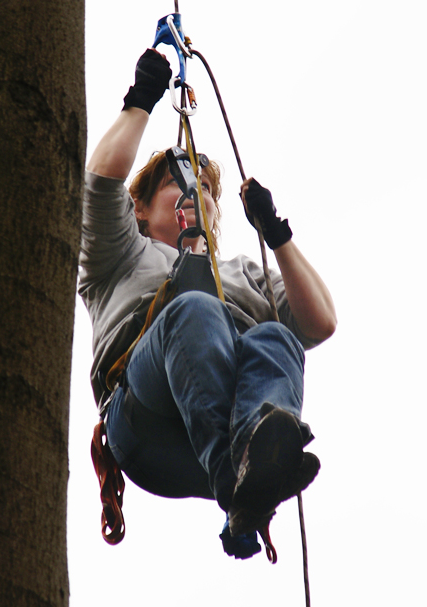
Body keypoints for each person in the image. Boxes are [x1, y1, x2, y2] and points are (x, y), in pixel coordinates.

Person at [78, 49, 337, 560]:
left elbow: (319, 322)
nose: (194, 193)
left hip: (213, 429)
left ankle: (253, 459)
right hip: (145, 414)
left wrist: (277, 235)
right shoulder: (123, 251)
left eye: (205, 191)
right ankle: (239, 480)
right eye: (178, 183)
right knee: (193, 311)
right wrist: (141, 101)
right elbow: (100, 182)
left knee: (277, 337)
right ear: (142, 209)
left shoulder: (241, 272)